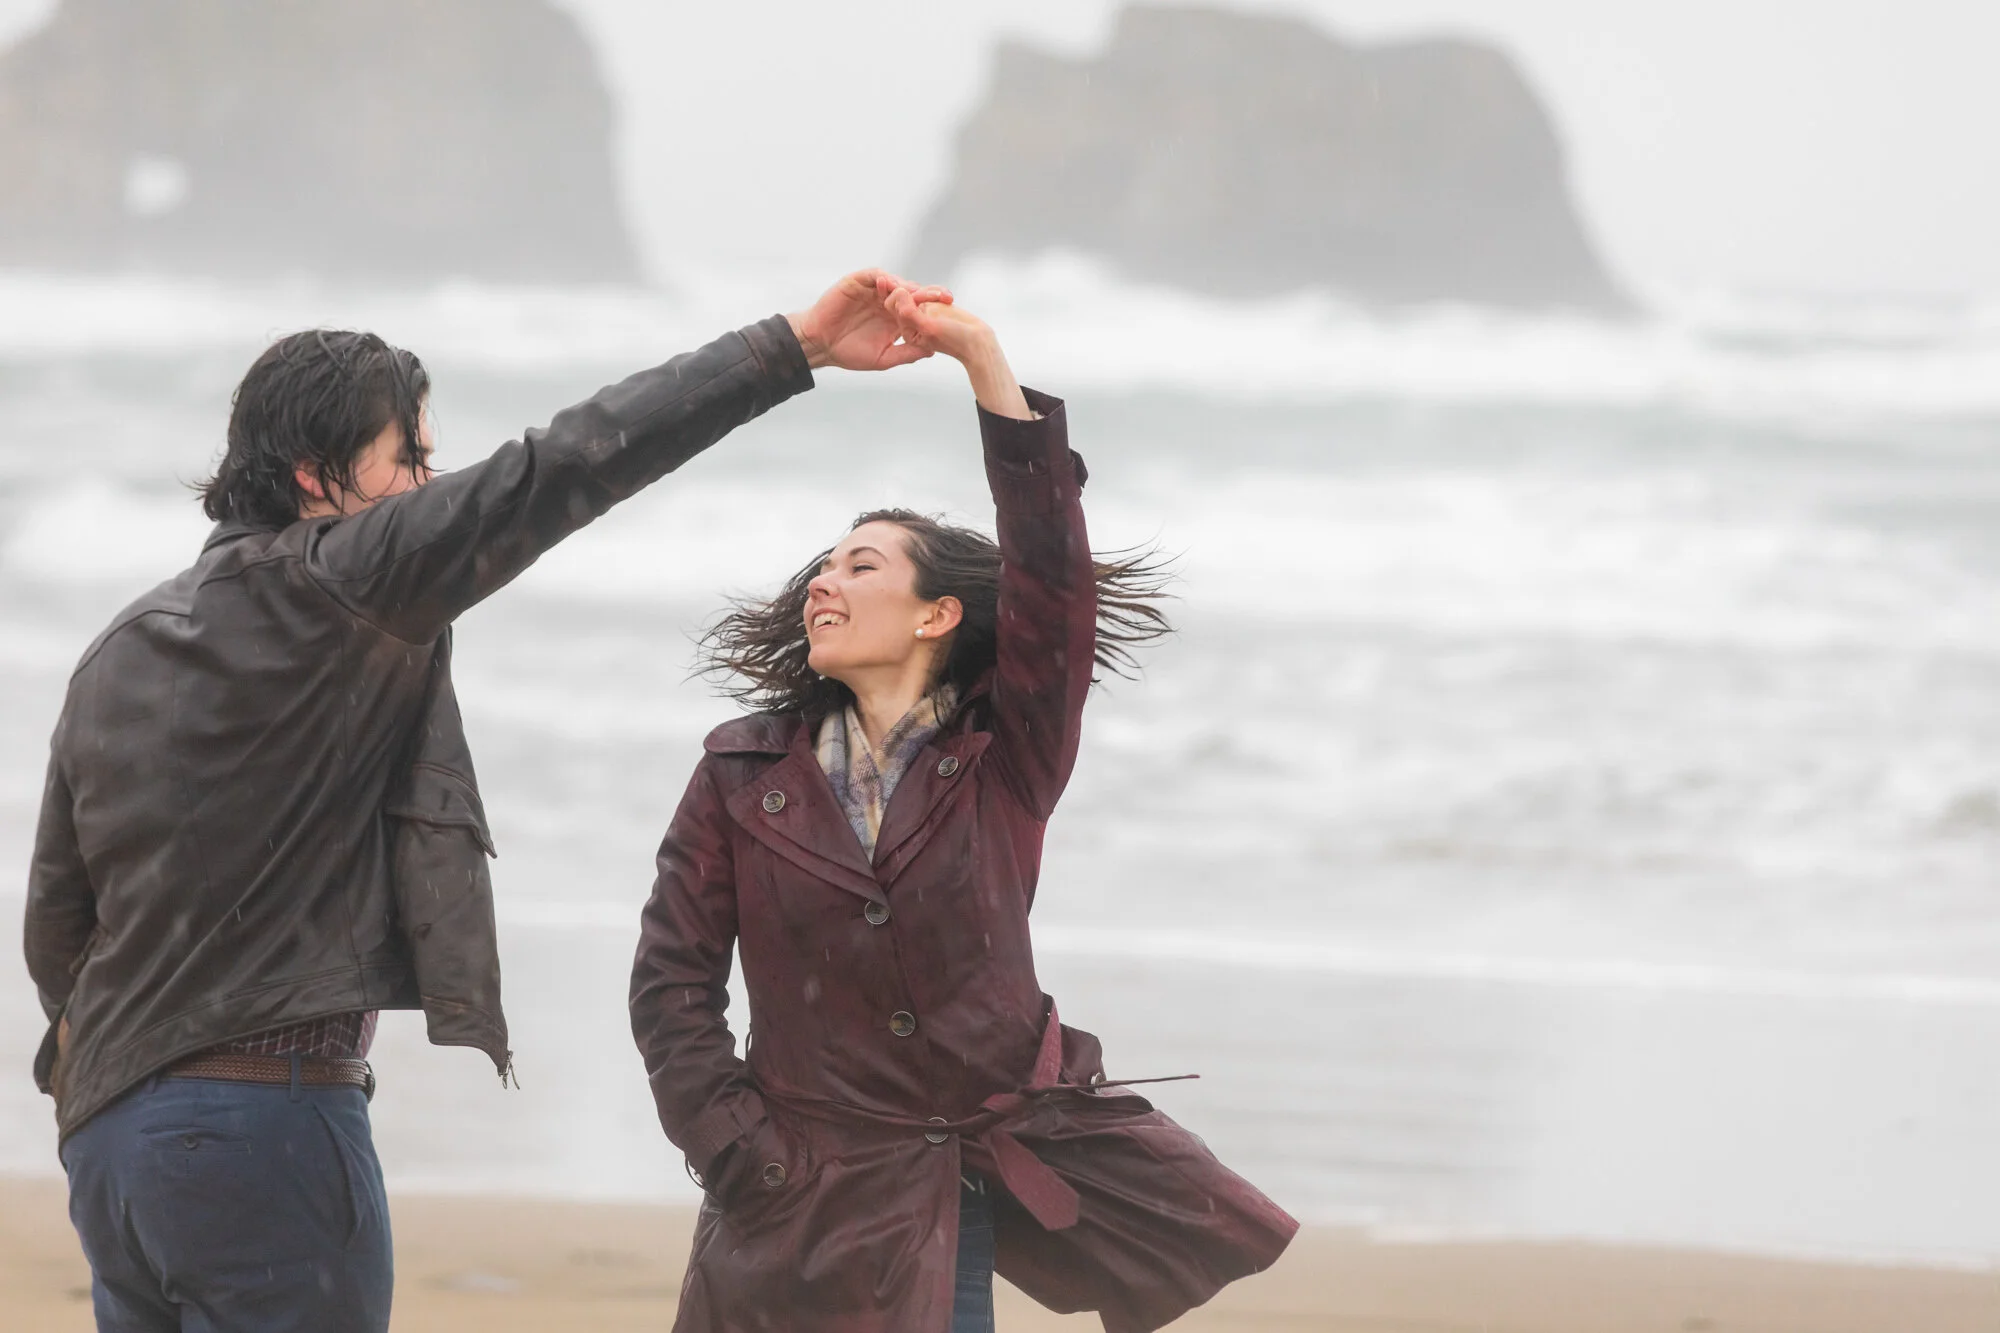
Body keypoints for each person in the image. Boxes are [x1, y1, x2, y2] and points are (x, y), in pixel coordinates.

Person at [23, 269, 947, 1332]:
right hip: (261, 1127)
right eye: (408, 455)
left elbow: (57, 922)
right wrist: (791, 348)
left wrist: (129, 1088)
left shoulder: (119, 649)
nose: (430, 478)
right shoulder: (344, 579)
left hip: (110, 1144)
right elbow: (558, 468)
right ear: (318, 477)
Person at [630, 291, 1297, 1333]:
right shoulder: (736, 770)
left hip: (943, 1206)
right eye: (820, 568)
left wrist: (984, 365)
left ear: (937, 614)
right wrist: (739, 1150)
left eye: (860, 566)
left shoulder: (1004, 756)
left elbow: (1051, 584)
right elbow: (671, 983)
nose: (822, 584)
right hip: (783, 1216)